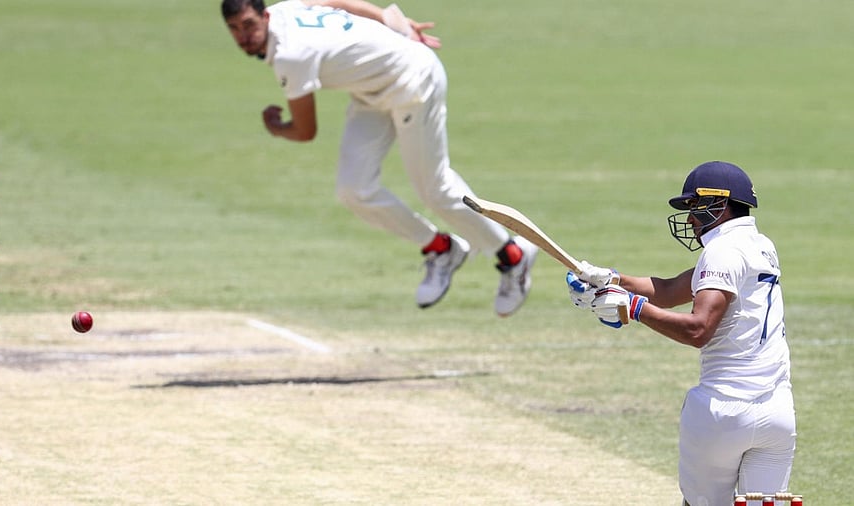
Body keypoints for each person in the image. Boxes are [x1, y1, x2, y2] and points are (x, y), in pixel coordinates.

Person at [220, 0, 538, 316]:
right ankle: (442, 249)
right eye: (234, 29)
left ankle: (513, 255)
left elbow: (305, 131)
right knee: (353, 190)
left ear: (265, 15)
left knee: (435, 189)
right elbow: (334, 2)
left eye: (249, 24)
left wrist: (276, 128)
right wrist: (389, 19)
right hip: (370, 92)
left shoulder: (291, 55)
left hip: (413, 81)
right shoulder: (285, 9)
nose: (244, 36)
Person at [566, 161, 796, 506]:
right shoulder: (760, 245)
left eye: (694, 208)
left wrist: (633, 308)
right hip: (777, 414)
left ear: (719, 205)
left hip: (721, 413)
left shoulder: (722, 251)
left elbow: (698, 330)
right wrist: (611, 279)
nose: (689, 219)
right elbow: (673, 288)